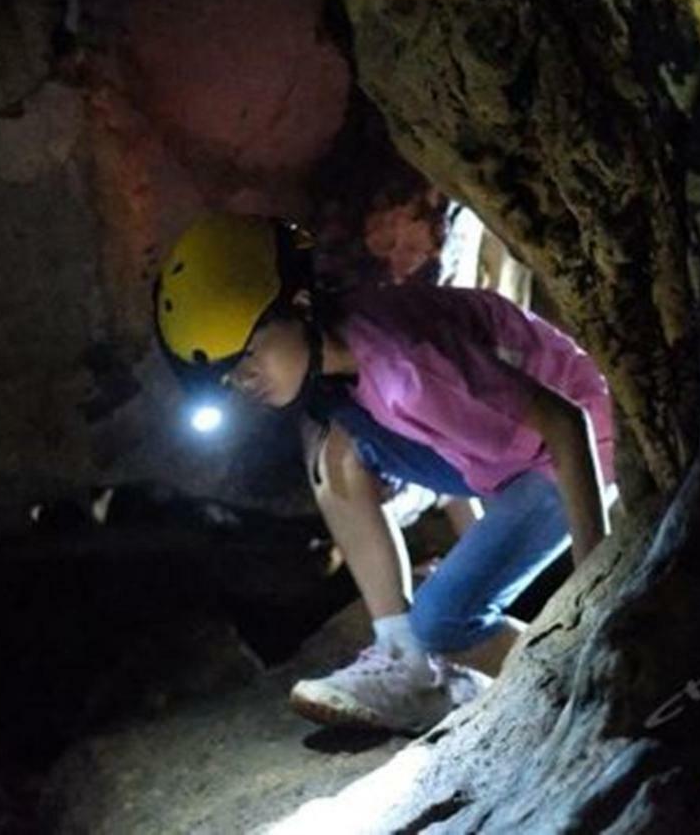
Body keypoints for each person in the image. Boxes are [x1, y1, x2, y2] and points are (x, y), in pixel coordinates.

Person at [153, 212, 614, 733]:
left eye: (248, 354)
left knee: (441, 619)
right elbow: (449, 430)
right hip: (500, 450)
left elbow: (568, 422)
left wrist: (599, 597)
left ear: (300, 305)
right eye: (228, 375)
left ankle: (534, 677)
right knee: (329, 444)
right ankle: (406, 658)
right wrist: (477, 548)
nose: (243, 380)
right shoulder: (343, 358)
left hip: (572, 450)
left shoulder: (405, 370)